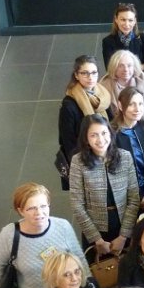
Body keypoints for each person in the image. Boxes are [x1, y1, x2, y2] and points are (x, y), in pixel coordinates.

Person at [69, 114, 140, 252]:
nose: (100, 139)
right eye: (94, 135)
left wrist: (124, 236)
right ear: (86, 138)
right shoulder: (78, 161)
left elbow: (134, 199)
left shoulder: (125, 157)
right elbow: (77, 204)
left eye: (104, 133)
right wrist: (97, 240)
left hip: (124, 225)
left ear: (110, 133)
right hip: (95, 229)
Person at [59, 56, 112, 189]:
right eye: (85, 73)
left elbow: (112, 125)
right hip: (85, 158)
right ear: (76, 75)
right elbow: (68, 141)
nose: (90, 77)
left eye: (94, 73)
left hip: (106, 151)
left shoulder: (103, 95)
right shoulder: (69, 104)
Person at [110, 86, 144, 198]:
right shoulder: (112, 132)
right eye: (132, 104)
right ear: (120, 105)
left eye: (140, 104)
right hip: (127, 195)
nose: (137, 109)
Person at [104, 2, 144, 91]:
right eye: (123, 19)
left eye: (130, 20)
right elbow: (110, 68)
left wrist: (123, 68)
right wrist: (140, 66)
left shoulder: (143, 38)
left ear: (135, 21)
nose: (127, 24)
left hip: (142, 84)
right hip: (120, 87)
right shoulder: (108, 41)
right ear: (116, 20)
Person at [101, 49, 144, 115]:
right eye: (121, 66)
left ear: (134, 67)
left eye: (129, 65)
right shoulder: (103, 87)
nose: (126, 69)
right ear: (114, 67)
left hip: (143, 123)